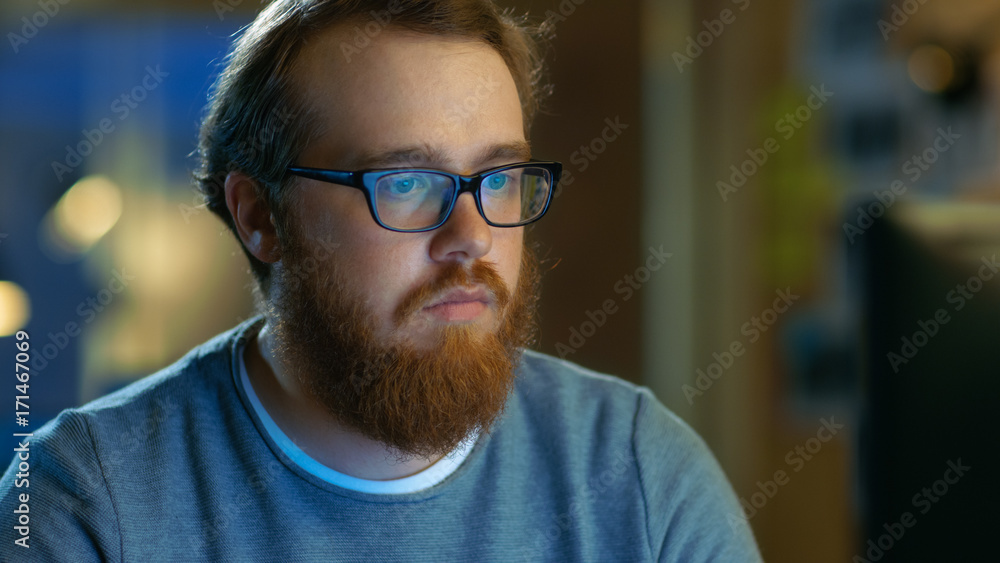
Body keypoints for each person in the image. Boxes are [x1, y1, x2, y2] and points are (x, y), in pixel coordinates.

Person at [1, 0, 762, 560]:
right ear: (260, 215)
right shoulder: (84, 505)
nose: (472, 239)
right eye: (404, 184)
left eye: (498, 179)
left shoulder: (640, 477)